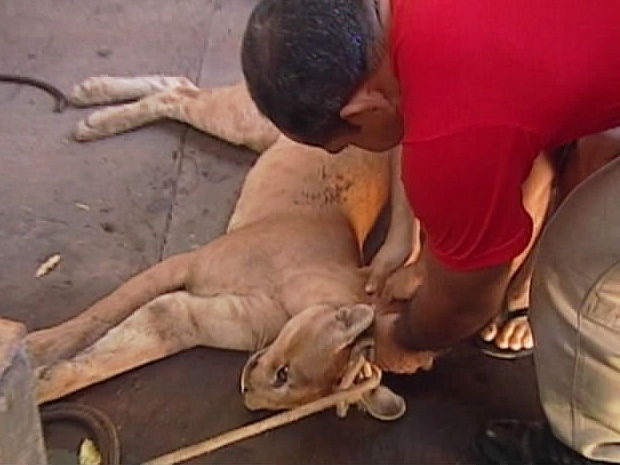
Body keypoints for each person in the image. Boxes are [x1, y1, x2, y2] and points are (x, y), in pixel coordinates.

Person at [240, 1, 620, 463]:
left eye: (347, 142)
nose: (350, 152)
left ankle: (591, 449)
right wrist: (427, 255)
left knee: (582, 272)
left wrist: (408, 337)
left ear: (363, 107)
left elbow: (468, 303)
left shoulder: (449, 131)